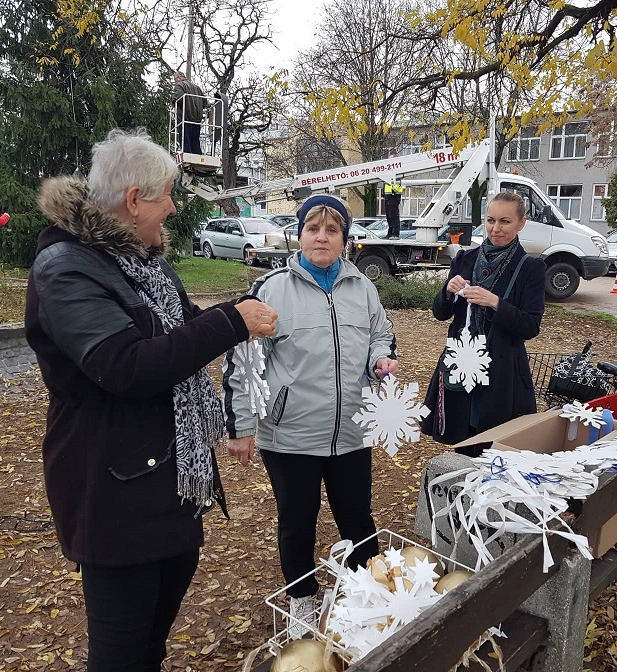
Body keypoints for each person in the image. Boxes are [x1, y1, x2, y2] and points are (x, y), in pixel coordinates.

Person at [24, 128, 278, 672]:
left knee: (151, 643)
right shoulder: (66, 267)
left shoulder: (142, 260)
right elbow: (126, 365)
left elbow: (180, 328)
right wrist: (231, 322)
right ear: (135, 200)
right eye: (167, 195)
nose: (173, 207)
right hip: (114, 495)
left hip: (170, 482)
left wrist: (237, 312)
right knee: (120, 654)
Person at [222, 194, 398, 637]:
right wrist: (241, 426)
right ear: (298, 235)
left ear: (345, 239)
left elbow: (381, 334)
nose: (322, 237)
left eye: (332, 230)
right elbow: (245, 360)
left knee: (357, 518)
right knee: (297, 521)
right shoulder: (271, 289)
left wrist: (380, 357)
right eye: (313, 229)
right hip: (290, 435)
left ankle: (368, 594)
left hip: (351, 431)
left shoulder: (363, 288)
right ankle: (302, 599)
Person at [420, 192, 545, 458]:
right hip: (463, 362)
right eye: (490, 220)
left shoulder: (530, 267)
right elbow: (440, 313)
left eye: (505, 221)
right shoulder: (464, 260)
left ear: (521, 223)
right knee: (462, 441)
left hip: (501, 373)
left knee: (493, 445)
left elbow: (530, 325)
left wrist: (496, 303)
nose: (495, 228)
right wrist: (447, 291)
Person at [172, 72, 208, 155]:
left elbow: (178, 98)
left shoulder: (180, 86)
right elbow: (204, 102)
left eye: (175, 79)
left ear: (178, 78)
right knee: (195, 142)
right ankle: (198, 156)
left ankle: (187, 156)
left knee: (185, 142)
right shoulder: (197, 88)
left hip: (185, 118)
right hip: (197, 120)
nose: (175, 81)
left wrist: (173, 100)